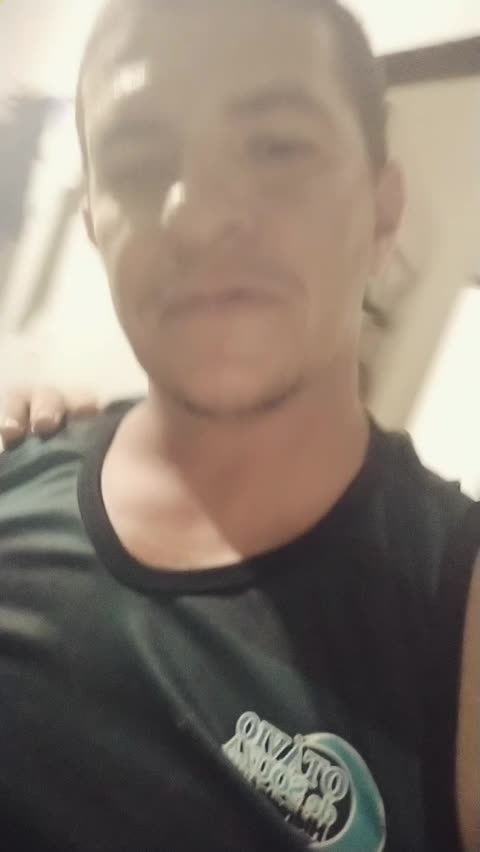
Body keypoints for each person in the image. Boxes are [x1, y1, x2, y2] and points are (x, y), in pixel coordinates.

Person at [0, 1, 478, 850]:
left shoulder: (457, 614)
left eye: (277, 147)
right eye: (139, 159)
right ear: (95, 227)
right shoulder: (14, 480)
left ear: (382, 213)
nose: (195, 214)